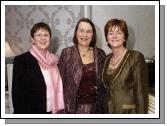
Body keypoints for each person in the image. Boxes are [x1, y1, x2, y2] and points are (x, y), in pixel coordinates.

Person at [12, 22, 64, 114]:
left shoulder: (55, 60)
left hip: (53, 112)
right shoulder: (21, 60)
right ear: (33, 39)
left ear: (49, 38)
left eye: (46, 35)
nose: (43, 38)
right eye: (39, 35)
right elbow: (17, 95)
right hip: (32, 113)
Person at [58, 18, 106, 114]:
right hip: (72, 109)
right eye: (81, 31)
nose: (85, 35)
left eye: (88, 31)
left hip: (96, 109)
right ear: (76, 33)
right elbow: (59, 84)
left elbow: (104, 86)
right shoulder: (66, 53)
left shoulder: (100, 54)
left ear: (93, 35)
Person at [102, 19, 149, 114]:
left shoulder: (136, 57)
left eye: (119, 33)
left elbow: (141, 96)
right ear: (107, 38)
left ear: (125, 37)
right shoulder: (106, 59)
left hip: (128, 113)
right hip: (107, 112)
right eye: (110, 33)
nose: (114, 36)